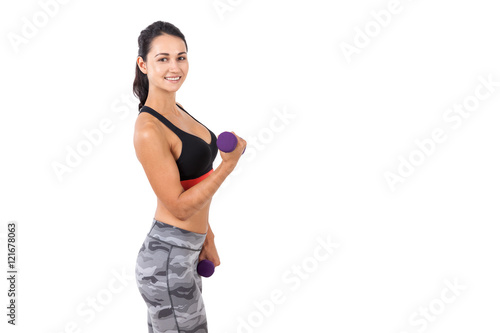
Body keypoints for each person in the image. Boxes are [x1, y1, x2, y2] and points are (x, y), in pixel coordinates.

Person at [132, 21, 246, 333]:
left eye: (181, 57)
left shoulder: (178, 109)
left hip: (186, 252)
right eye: (163, 58)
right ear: (143, 64)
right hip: (167, 259)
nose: (174, 67)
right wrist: (229, 165)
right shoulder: (148, 129)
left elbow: (193, 179)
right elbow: (180, 206)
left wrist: (207, 236)